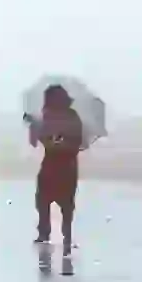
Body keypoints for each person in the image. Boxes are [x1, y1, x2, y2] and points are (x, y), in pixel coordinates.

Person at [23, 84, 83, 253]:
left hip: (64, 164)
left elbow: (74, 142)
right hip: (54, 163)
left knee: (64, 203)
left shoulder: (71, 118)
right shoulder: (49, 117)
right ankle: (47, 234)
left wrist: (54, 140)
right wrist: (34, 127)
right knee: (43, 200)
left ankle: (65, 235)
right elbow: (38, 141)